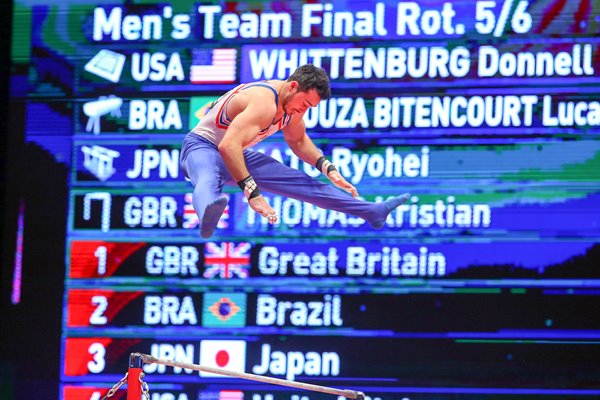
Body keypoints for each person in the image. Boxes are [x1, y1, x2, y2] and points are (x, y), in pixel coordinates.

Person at [180, 64, 410, 238]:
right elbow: (227, 145)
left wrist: (327, 168)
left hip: (236, 154)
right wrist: (253, 193)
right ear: (293, 86)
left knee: (302, 182)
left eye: (310, 107)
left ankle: (372, 211)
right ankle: (208, 212)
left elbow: (298, 140)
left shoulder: (293, 106)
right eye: (306, 103)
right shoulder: (264, 102)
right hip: (201, 147)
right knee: (209, 177)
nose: (305, 109)